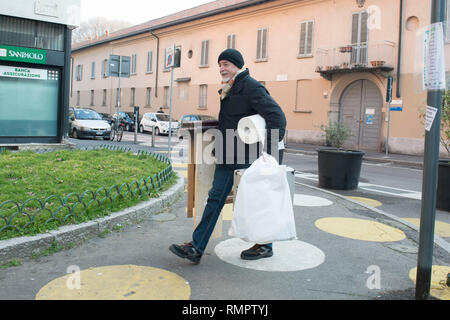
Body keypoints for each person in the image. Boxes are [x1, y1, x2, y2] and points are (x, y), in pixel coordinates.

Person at [169, 48, 286, 264]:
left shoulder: (251, 87)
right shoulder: (229, 88)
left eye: (226, 64)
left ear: (237, 65)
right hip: (227, 154)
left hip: (247, 155)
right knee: (215, 199)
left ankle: (265, 245)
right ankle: (196, 247)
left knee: (256, 200)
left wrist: (269, 155)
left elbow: (277, 117)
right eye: (220, 64)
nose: (222, 68)